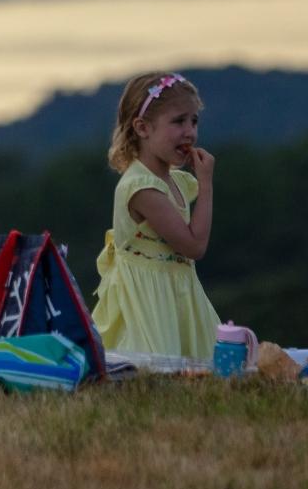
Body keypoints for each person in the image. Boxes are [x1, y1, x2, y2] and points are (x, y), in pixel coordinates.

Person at [90, 71, 222, 362]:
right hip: (149, 304)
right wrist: (207, 185)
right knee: (158, 369)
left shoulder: (173, 181)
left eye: (194, 121)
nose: (190, 132)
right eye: (178, 121)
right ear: (142, 128)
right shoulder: (142, 188)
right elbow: (194, 245)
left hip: (178, 295)